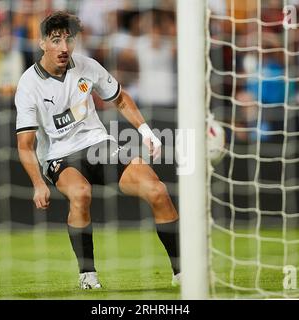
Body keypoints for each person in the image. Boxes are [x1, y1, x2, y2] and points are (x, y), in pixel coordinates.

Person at [15, 11, 180, 289]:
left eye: (69, 40)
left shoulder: (87, 66)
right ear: (42, 43)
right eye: (56, 40)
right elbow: (25, 144)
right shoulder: (28, 84)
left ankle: (181, 272)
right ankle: (87, 276)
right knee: (81, 193)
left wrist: (146, 131)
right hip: (59, 155)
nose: (64, 48)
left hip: (99, 145)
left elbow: (120, 98)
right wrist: (37, 183)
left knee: (158, 191)